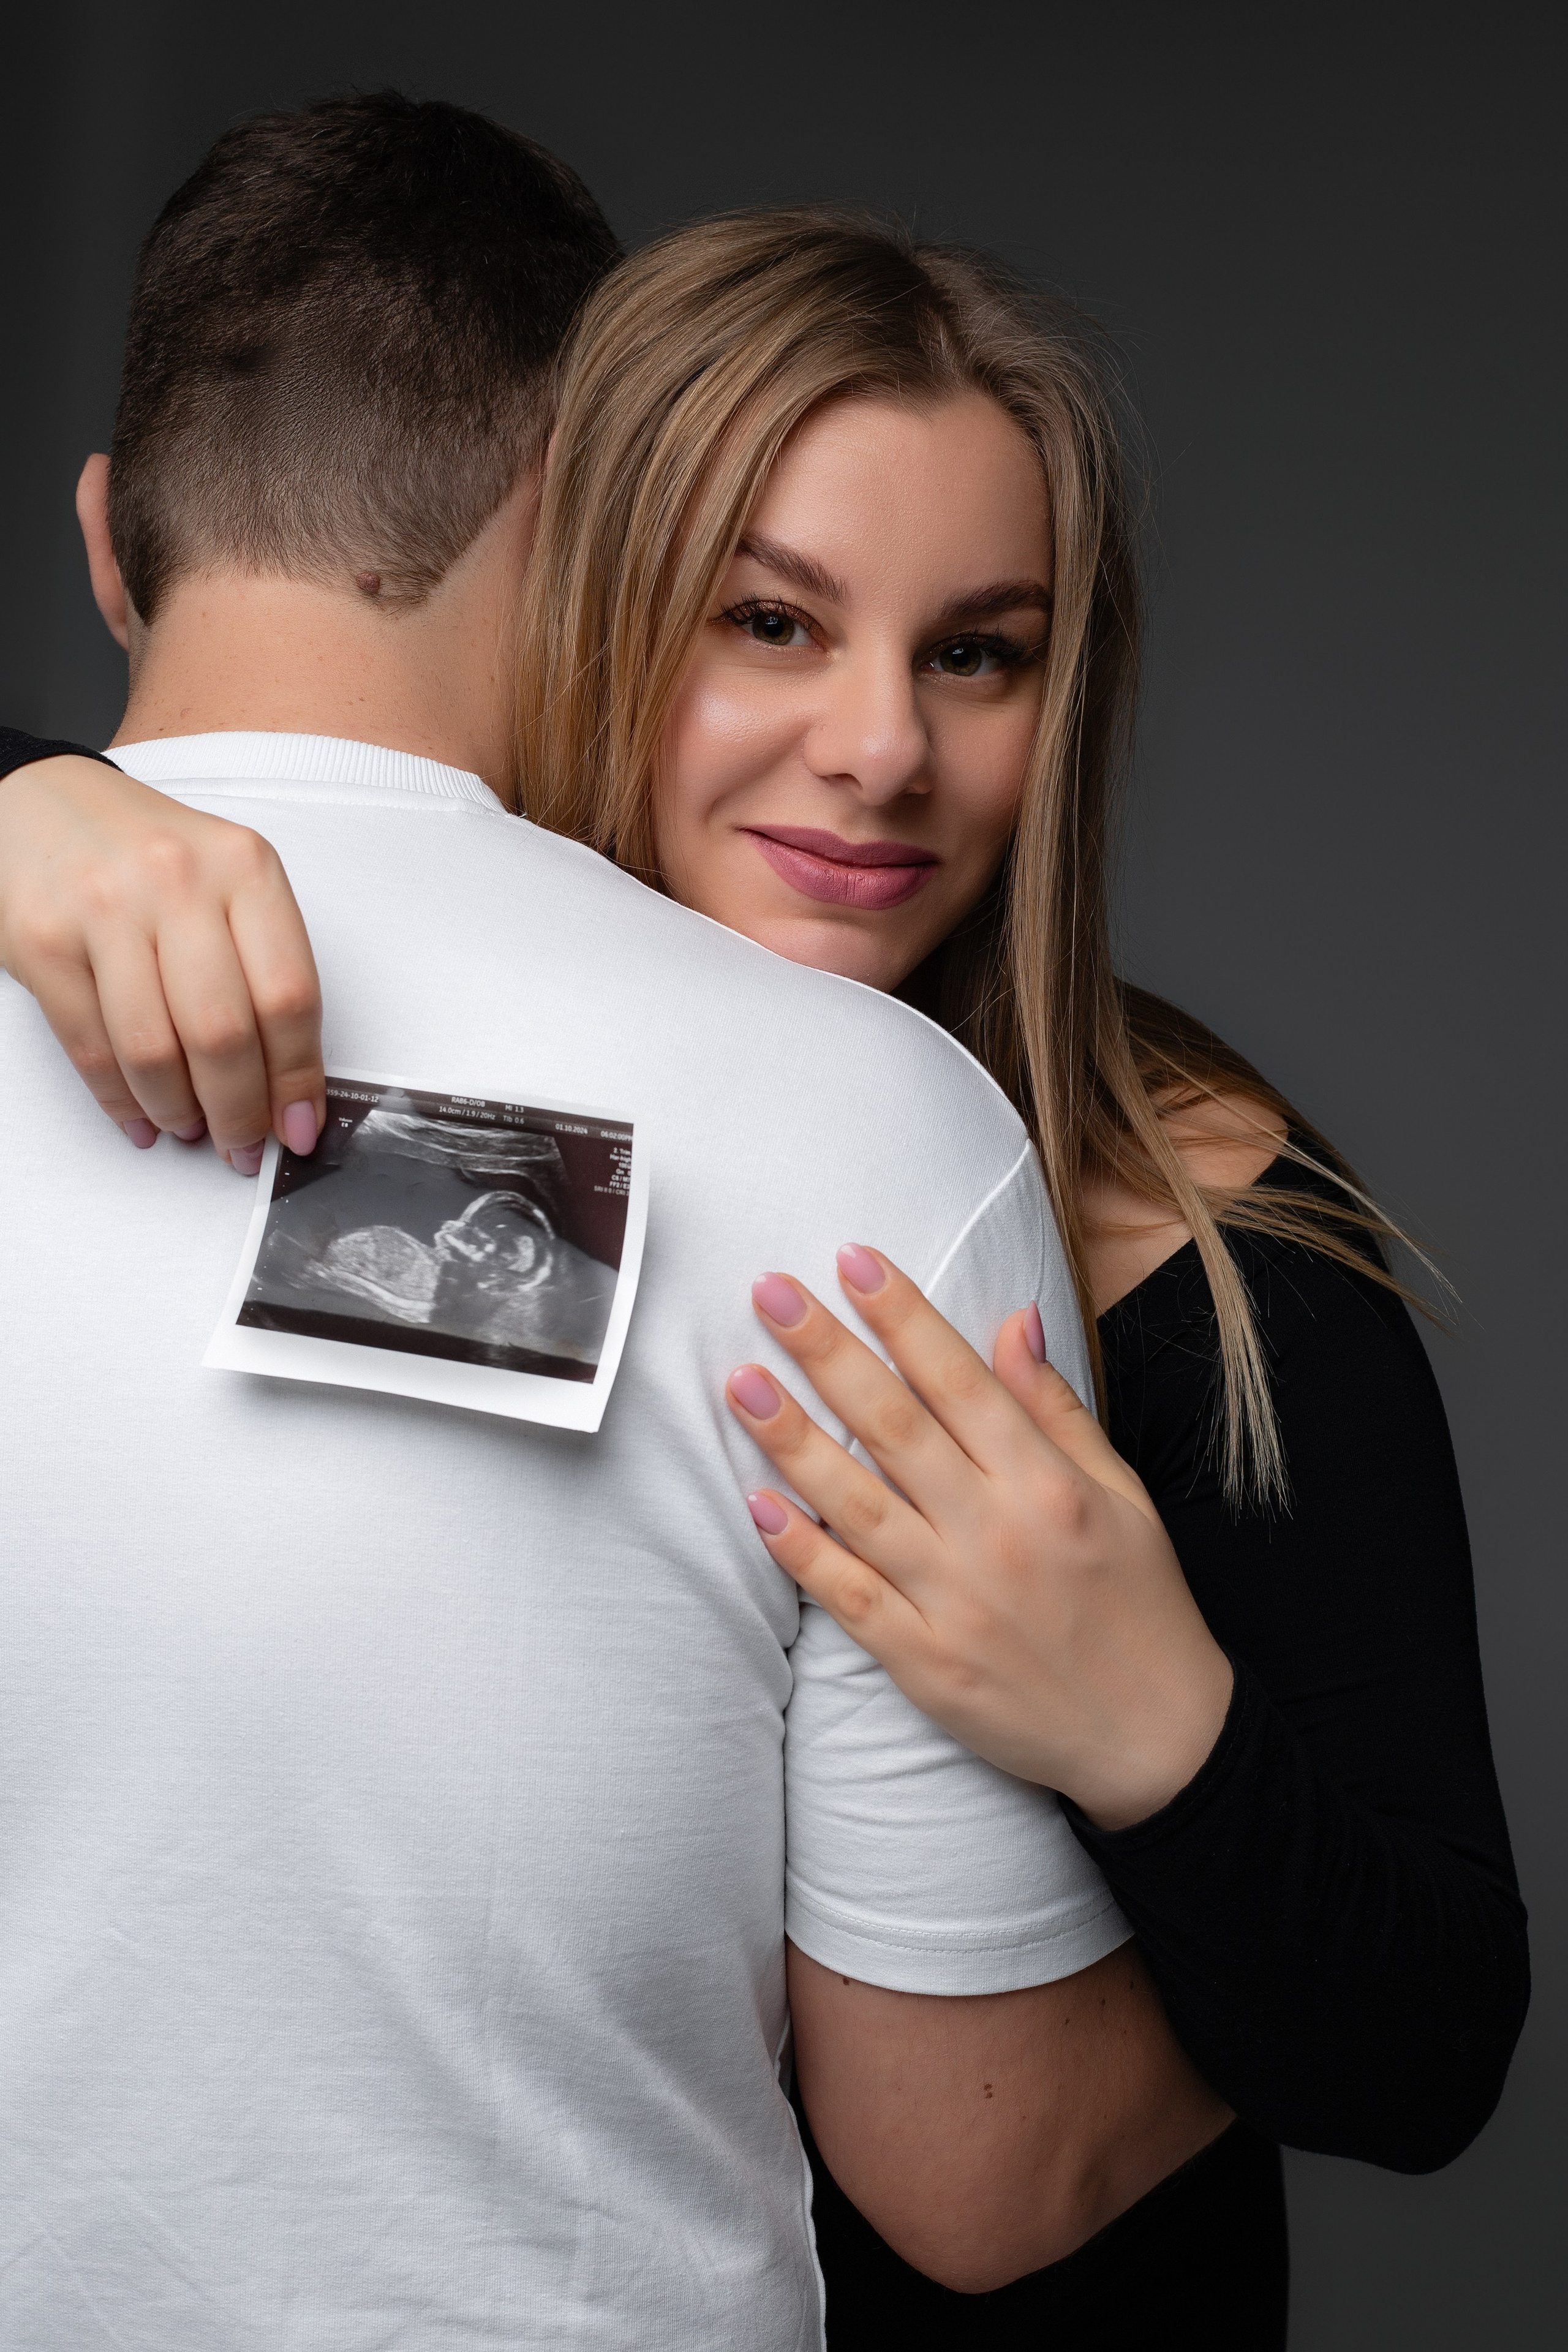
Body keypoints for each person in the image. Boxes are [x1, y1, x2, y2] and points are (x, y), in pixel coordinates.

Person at [0, 200, 1526, 2344]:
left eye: (977, 652)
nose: (882, 748)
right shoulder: (410, 1068)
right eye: (774, 624)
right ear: (581, 599)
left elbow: (1431, 2052)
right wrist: (33, 799)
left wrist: (1160, 1734)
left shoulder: (1213, 1241)